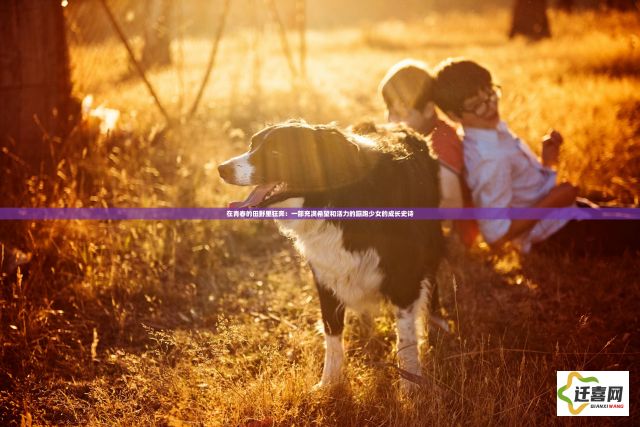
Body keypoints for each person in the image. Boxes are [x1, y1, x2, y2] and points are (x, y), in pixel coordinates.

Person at [431, 57, 640, 256]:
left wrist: (548, 162)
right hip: (561, 235)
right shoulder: (488, 158)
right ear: (453, 115)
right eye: (477, 104)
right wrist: (553, 201)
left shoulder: (490, 132)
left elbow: (523, 192)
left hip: (567, 214)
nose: (491, 106)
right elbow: (495, 235)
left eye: (490, 93)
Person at [378, 59, 478, 247]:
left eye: (402, 114)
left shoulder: (441, 141)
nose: (393, 121)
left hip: (454, 235)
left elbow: (452, 203)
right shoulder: (414, 134)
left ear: (429, 110)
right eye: (389, 112)